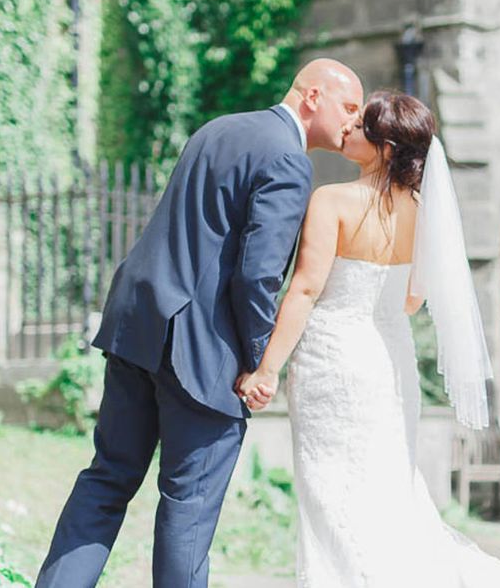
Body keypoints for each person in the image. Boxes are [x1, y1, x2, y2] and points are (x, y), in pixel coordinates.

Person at [238, 91, 500, 587]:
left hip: (334, 360)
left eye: (361, 126)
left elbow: (304, 289)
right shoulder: (426, 214)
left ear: (386, 148)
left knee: (332, 488)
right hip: (390, 365)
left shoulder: (332, 201)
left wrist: (266, 369)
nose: (348, 129)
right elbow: (413, 301)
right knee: (389, 491)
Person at [35, 59, 364, 588]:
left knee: (107, 479)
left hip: (138, 326)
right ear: (312, 96)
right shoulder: (289, 159)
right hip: (202, 353)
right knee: (188, 506)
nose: (354, 121)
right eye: (348, 106)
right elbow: (258, 276)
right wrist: (260, 361)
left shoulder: (218, 128)